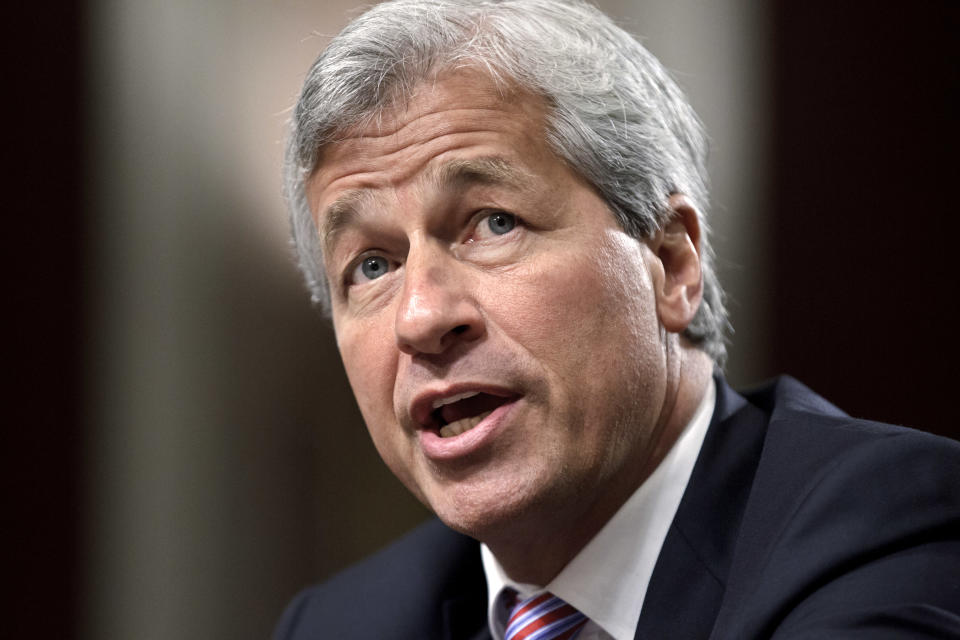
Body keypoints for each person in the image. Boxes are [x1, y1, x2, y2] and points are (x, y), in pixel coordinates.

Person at [274, 1, 960, 638]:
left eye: (494, 223)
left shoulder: (883, 532)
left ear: (670, 261)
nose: (421, 317)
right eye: (371, 266)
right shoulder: (343, 623)